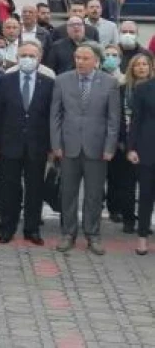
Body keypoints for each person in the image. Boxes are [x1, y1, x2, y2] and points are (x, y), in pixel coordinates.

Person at [51, 43, 120, 255]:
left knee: (94, 194)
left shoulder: (110, 83)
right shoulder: (62, 80)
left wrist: (110, 147)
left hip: (97, 148)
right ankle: (68, 233)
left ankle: (93, 234)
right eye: (77, 57)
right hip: (69, 146)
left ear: (96, 61)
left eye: (85, 58)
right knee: (68, 193)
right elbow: (55, 116)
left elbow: (113, 119)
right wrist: (56, 144)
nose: (80, 62)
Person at [0, 41, 53, 245]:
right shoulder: (5, 80)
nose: (28, 59)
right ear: (17, 58)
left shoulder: (49, 83)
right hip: (9, 144)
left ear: (39, 58)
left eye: (32, 55)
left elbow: (52, 118)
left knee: (35, 189)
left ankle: (32, 229)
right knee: (8, 188)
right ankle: (7, 228)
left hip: (37, 146)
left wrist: (52, 147)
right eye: (24, 55)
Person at [111, 52, 151, 233]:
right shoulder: (121, 89)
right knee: (126, 185)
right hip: (124, 143)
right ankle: (128, 219)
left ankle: (144, 221)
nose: (141, 67)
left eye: (145, 64)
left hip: (148, 144)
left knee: (148, 187)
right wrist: (121, 140)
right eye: (138, 64)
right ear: (131, 68)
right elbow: (115, 116)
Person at [128, 54, 155, 254]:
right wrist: (131, 148)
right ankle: (143, 237)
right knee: (146, 195)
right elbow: (135, 121)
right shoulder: (143, 89)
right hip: (148, 149)